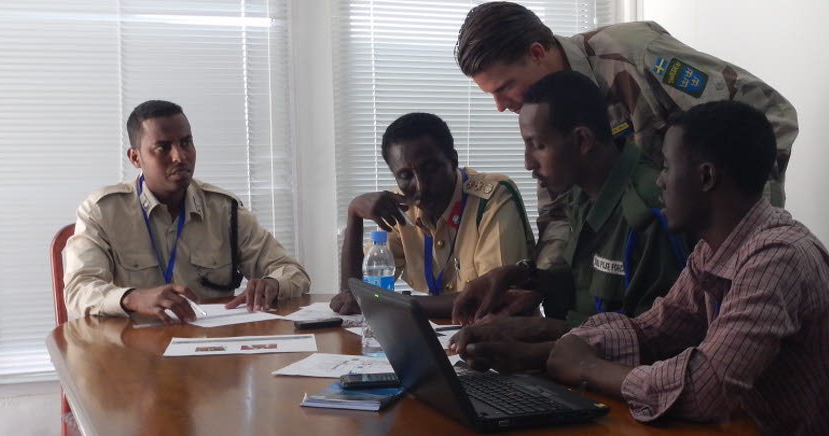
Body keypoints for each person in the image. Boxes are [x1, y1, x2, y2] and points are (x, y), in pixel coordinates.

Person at [541, 100, 829, 434]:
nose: (660, 181)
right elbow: (656, 331)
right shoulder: (713, 251)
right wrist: (558, 348)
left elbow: (704, 389)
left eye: (666, 166)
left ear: (706, 177)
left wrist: (589, 367)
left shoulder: (778, 256)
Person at [455, 1, 798, 269]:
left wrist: (747, 229)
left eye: (504, 87)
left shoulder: (632, 54)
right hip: (640, 271)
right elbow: (558, 213)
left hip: (716, 252)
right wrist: (543, 283)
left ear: (536, 53)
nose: (500, 106)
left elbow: (771, 115)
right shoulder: (540, 112)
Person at [449, 71, 687, 370]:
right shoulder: (581, 192)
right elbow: (583, 285)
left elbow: (651, 340)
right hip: (577, 373)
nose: (527, 163)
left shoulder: (654, 208)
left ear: (582, 140)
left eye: (537, 145)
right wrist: (524, 278)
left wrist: (535, 332)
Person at [64, 100, 310, 323]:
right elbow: (79, 289)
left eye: (186, 143)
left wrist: (273, 283)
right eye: (163, 147)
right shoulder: (103, 211)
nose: (180, 156)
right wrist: (132, 298)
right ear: (135, 158)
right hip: (135, 350)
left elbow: (294, 273)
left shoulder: (225, 210)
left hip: (212, 350)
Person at [330, 112, 534, 317]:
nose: (421, 186)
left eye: (430, 169)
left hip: (502, 339)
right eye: (406, 176)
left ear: (453, 161)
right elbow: (354, 295)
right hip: (445, 335)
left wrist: (389, 301)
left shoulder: (492, 198)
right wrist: (354, 215)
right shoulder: (399, 209)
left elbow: (493, 297)